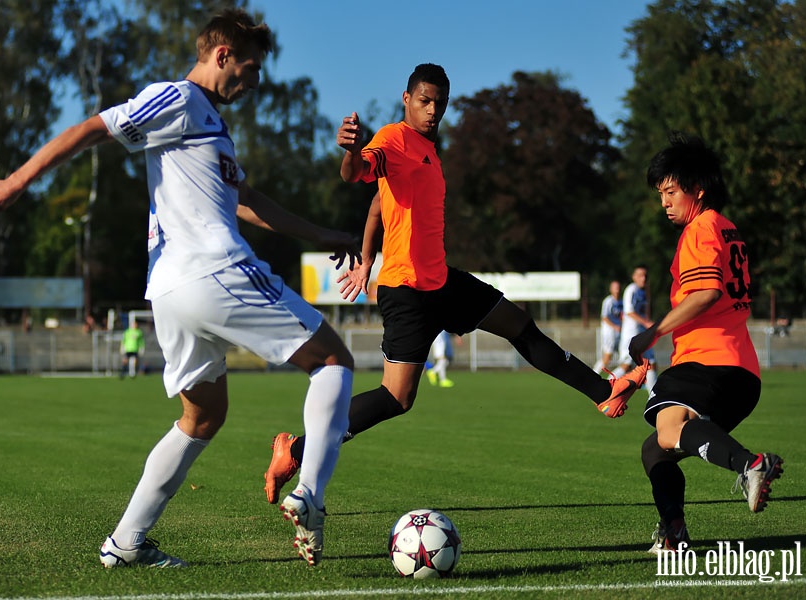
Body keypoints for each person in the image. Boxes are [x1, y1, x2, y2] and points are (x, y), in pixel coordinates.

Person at [0, 9, 360, 568]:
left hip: (172, 292)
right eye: (250, 69)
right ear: (222, 55)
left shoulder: (212, 127)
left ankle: (126, 542)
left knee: (202, 416)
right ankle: (312, 497)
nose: (254, 83)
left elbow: (249, 201)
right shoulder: (178, 98)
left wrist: (327, 233)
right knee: (335, 362)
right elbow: (93, 128)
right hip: (215, 271)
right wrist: (13, 183)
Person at [262, 63, 650, 504]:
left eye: (439, 104)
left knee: (519, 324)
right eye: (424, 101)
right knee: (397, 398)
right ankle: (294, 452)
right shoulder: (392, 138)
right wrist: (350, 152)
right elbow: (356, 175)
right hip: (407, 291)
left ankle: (605, 391)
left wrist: (367, 256)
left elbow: (376, 205)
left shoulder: (428, 150)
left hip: (442, 282)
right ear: (406, 99)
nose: (432, 111)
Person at [628, 132, 783, 552]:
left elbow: (706, 292)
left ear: (698, 189)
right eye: (661, 193)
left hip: (707, 361)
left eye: (671, 191)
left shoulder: (699, 228)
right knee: (655, 451)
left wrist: (652, 332)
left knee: (666, 430)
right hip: (742, 373)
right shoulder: (728, 228)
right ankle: (674, 530)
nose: (664, 201)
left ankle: (751, 465)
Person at [613, 266, 658, 390]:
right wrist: (646, 323)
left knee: (651, 364)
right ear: (634, 277)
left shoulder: (643, 292)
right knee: (626, 365)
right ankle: (607, 386)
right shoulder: (631, 290)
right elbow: (629, 312)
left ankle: (653, 397)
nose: (643, 278)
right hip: (631, 334)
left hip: (642, 333)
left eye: (645, 275)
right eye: (640, 275)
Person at [593, 280, 622, 374]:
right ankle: (594, 373)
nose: (617, 289)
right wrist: (615, 326)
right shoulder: (608, 301)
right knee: (607, 357)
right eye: (615, 287)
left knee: (626, 355)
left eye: (618, 287)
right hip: (609, 332)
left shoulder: (622, 301)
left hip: (619, 332)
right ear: (611, 289)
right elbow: (604, 317)